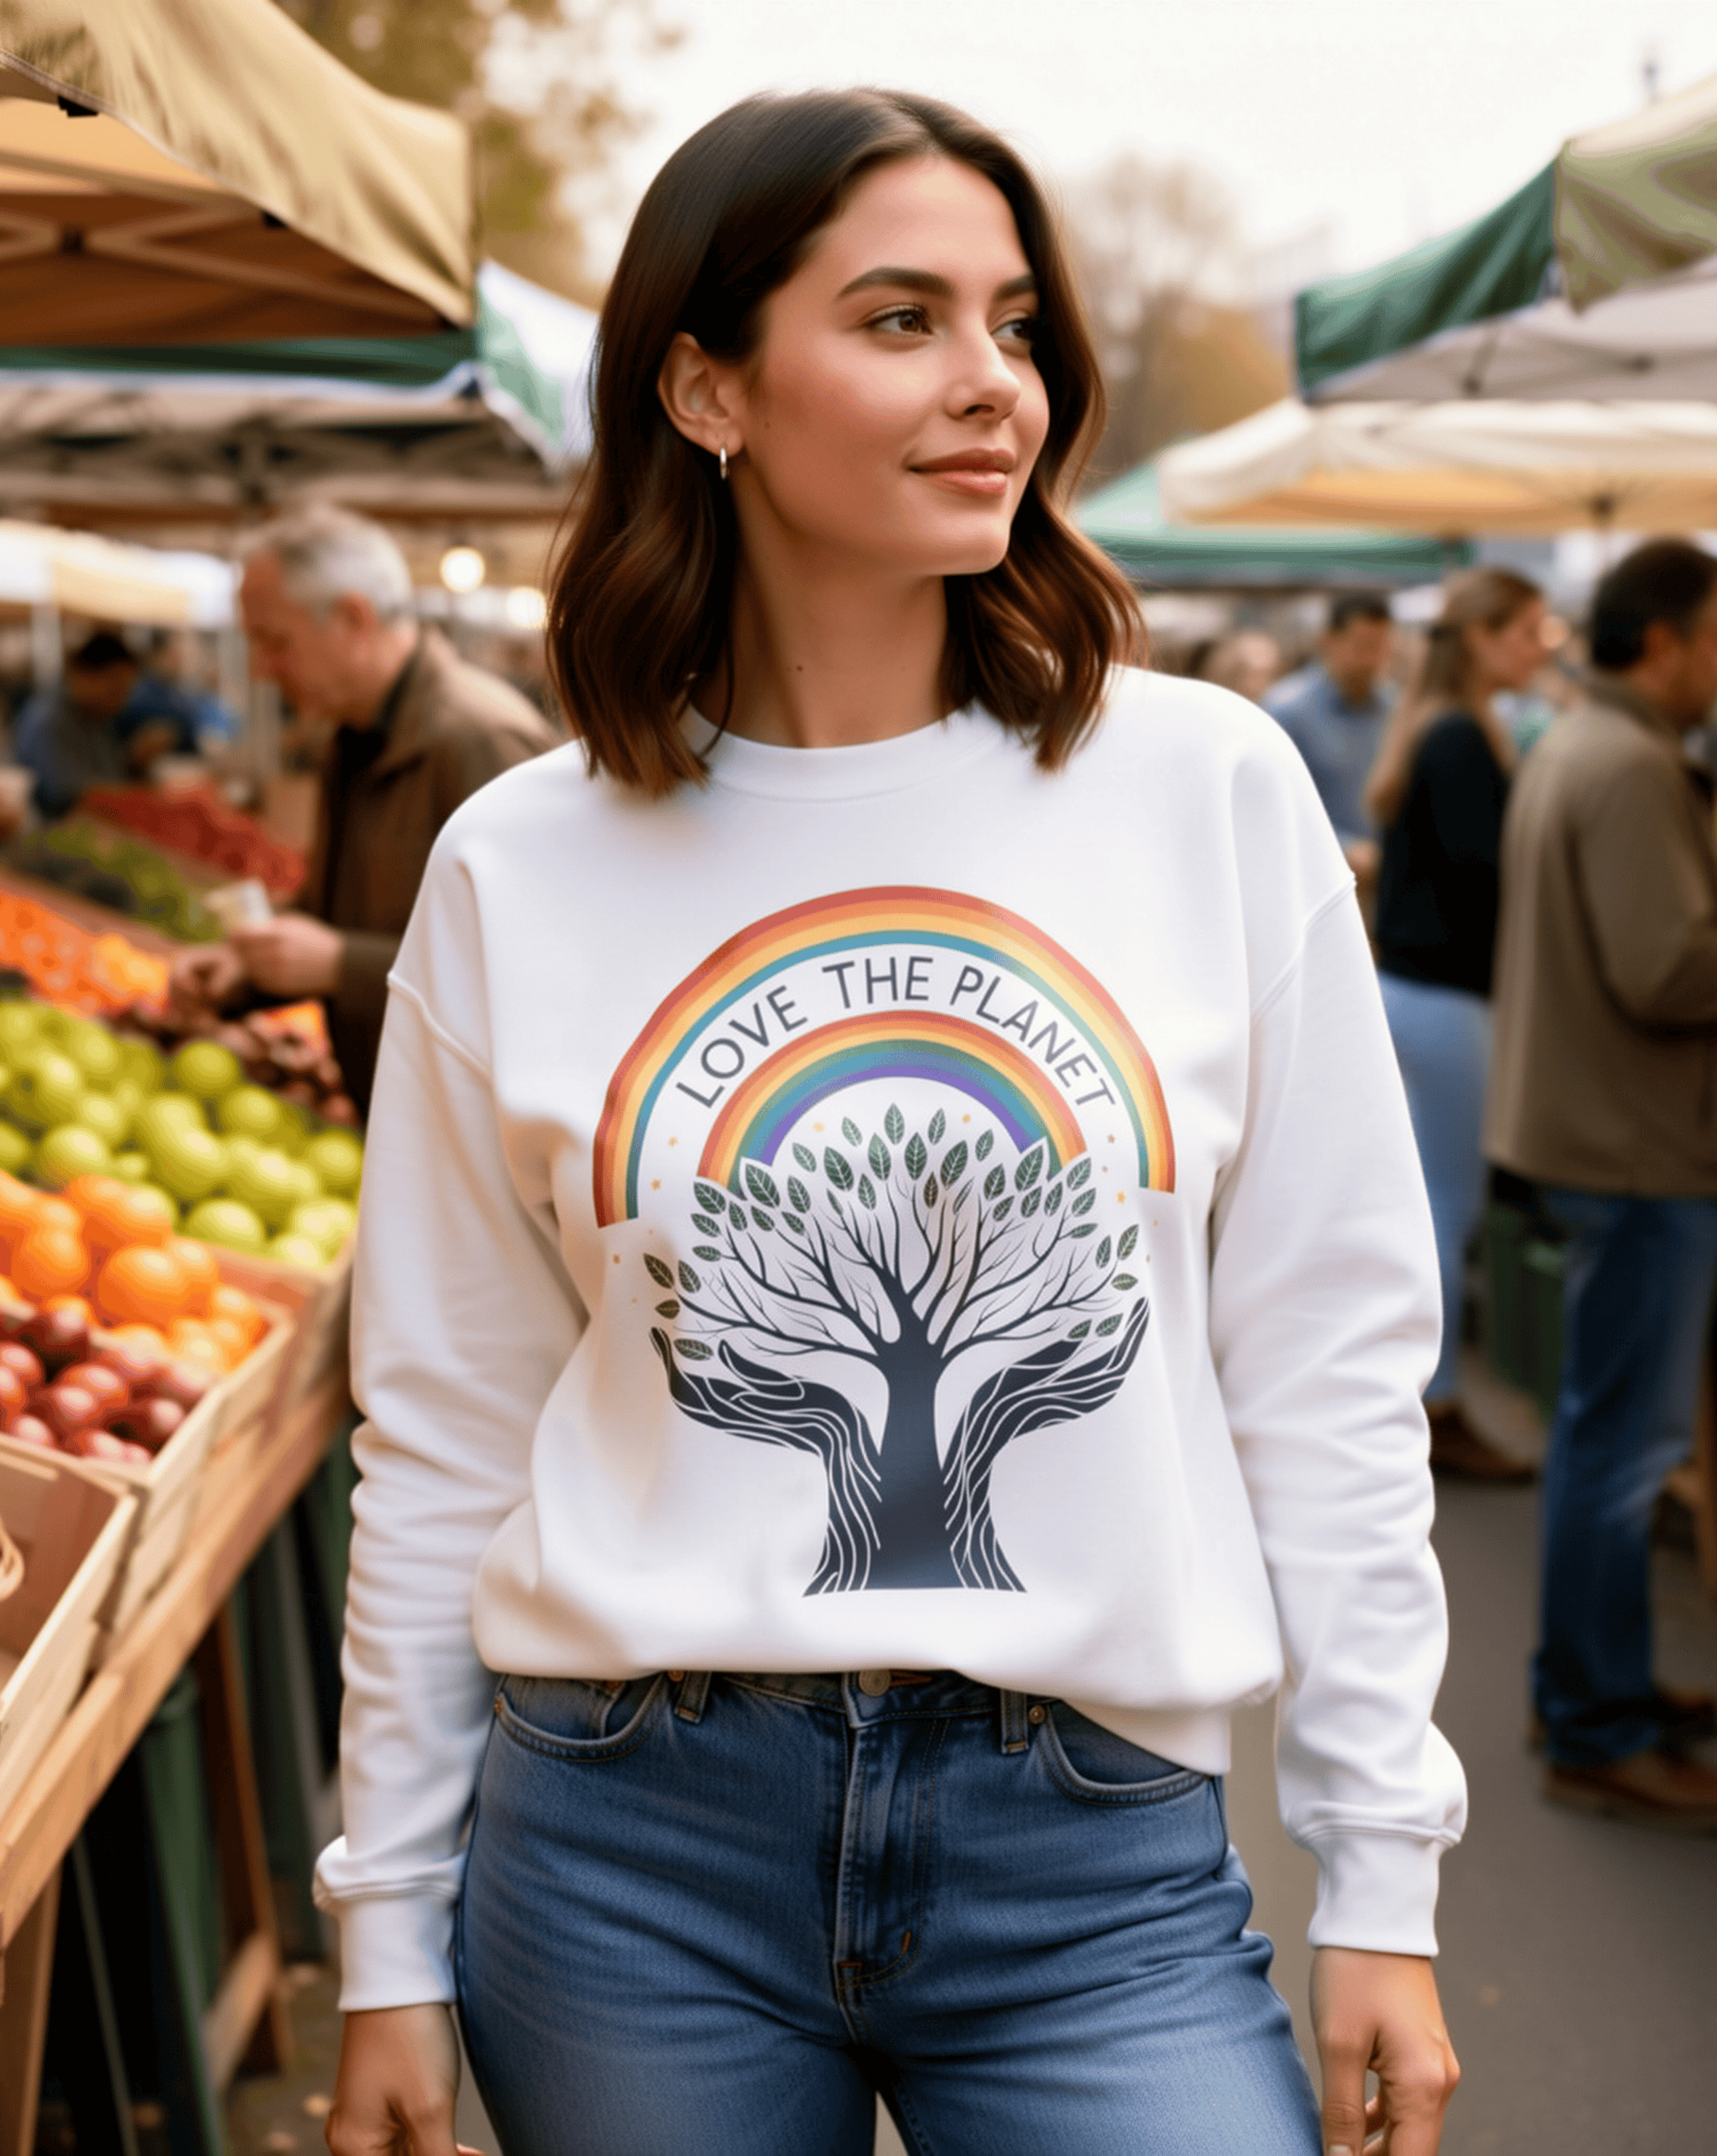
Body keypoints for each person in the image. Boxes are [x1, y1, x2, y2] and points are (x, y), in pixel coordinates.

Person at [317, 91, 1464, 2156]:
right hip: (627, 1850)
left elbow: (1332, 1356)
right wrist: (385, 1920)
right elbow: (445, 1424)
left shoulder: (1204, 789)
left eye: (1015, 325)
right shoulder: (519, 864)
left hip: (1094, 1859)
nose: (989, 387)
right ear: (706, 382)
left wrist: (1381, 1865)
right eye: (904, 317)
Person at [1487, 537, 1717, 1830]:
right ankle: (1596, 1719)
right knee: (1623, 1449)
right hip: (1635, 1147)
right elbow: (1665, 970)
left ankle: (1589, 1688)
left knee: (1603, 1437)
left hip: (1595, 1136)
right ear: (1660, 641)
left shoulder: (1582, 742)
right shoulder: (1628, 763)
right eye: (1714, 638)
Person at [168, 508, 562, 1117]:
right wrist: (245, 970)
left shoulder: (478, 737)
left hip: (479, 1135)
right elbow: (335, 909)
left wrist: (338, 965)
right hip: (407, 1117)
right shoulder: (349, 736)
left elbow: (542, 960)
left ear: (354, 617)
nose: (260, 669)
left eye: (275, 642)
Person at [1364, 569, 1549, 1483]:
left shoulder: (1441, 729)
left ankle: (1427, 1399)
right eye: (1524, 631)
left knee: (1432, 1201)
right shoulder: (1457, 740)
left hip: (1416, 994)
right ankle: (1431, 1405)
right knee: (1444, 1206)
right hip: (1444, 1000)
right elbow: (1488, 884)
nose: (1539, 647)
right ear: (1478, 638)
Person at [1263, 592, 1395, 881]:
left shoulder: (1393, 709)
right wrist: (1344, 847)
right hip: (1317, 879)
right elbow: (1276, 806)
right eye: (1363, 646)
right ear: (1329, 641)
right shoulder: (1288, 711)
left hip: (1384, 879)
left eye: (1382, 648)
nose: (1373, 660)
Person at [11, 630, 198, 821]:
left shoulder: (95, 717)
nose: (120, 701)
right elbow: (73, 794)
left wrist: (137, 762)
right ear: (79, 674)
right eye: (114, 689)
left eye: (125, 692)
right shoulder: (48, 721)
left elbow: (112, 779)